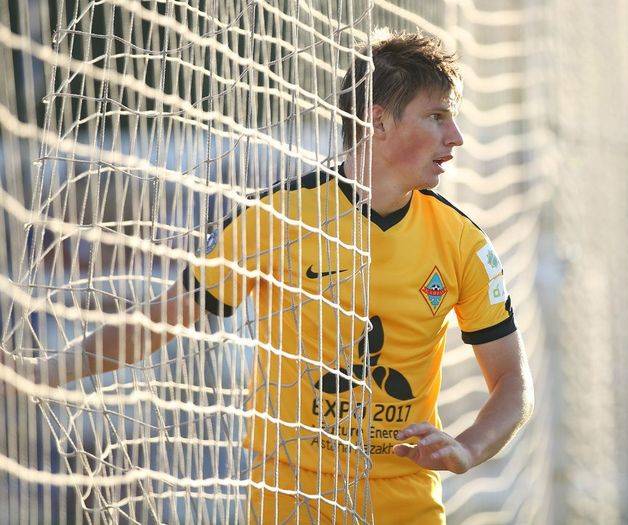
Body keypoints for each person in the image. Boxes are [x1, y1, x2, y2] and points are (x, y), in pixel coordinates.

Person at [9, 30, 534, 524]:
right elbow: (161, 321)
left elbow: (512, 382)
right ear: (378, 121)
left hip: (406, 504)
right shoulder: (277, 218)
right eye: (436, 117)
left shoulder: (463, 243)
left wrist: (468, 448)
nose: (456, 138)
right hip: (290, 499)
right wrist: (42, 374)